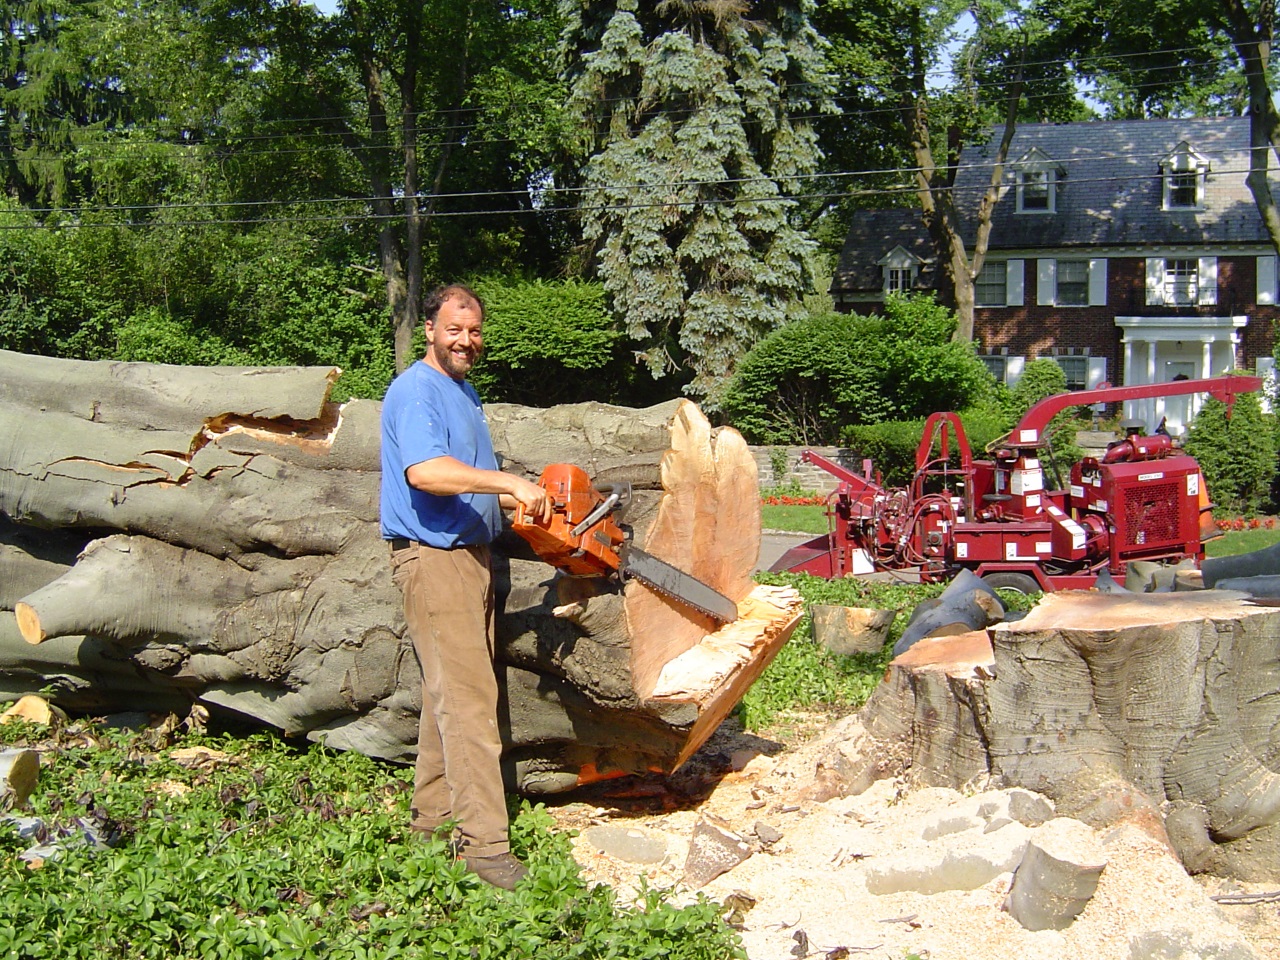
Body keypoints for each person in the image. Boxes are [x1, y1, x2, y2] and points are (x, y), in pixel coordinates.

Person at [380, 284, 550, 890]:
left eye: (475, 331)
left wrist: (522, 503)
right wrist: (507, 481)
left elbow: (471, 479)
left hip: (470, 558)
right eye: (455, 329)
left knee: (445, 692)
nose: (466, 341)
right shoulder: (417, 390)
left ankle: (432, 820)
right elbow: (425, 472)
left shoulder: (463, 391)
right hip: (433, 560)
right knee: (472, 698)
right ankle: (485, 848)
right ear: (429, 328)